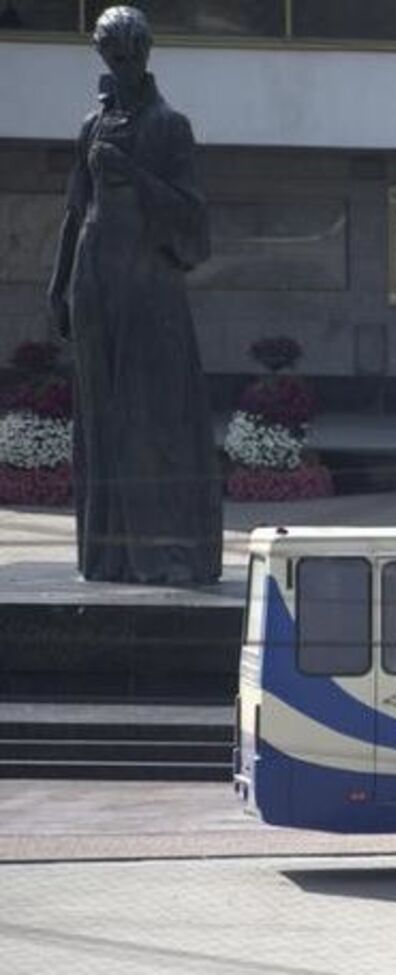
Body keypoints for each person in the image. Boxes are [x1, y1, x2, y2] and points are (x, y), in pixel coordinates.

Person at [46, 6, 221, 585]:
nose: (120, 65)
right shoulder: (89, 126)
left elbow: (193, 218)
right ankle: (107, 554)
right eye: (111, 56)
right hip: (96, 285)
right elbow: (76, 214)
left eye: (128, 54)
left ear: (145, 54)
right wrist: (57, 288)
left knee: (152, 420)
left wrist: (132, 173)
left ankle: (164, 553)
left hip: (149, 288)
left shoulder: (170, 126)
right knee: (100, 421)